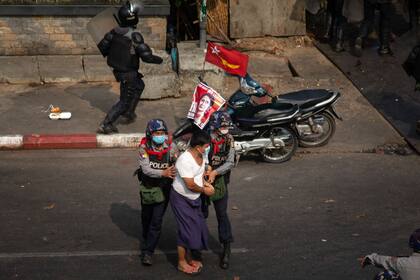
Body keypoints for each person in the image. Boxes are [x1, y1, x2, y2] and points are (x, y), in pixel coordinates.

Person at [96, 0, 163, 134]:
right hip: (128, 73)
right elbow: (146, 57)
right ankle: (106, 124)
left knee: (139, 85)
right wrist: (160, 60)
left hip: (120, 70)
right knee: (124, 101)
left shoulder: (113, 32)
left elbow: (103, 47)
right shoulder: (134, 36)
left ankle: (129, 113)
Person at [170, 130, 215, 275]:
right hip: (181, 199)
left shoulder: (201, 155)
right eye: (206, 146)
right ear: (198, 146)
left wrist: (205, 183)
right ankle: (181, 262)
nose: (208, 148)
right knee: (185, 230)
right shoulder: (184, 160)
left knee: (196, 227)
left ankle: (189, 256)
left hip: (194, 198)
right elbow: (190, 184)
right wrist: (205, 190)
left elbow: (199, 174)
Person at [136, 119, 178, 265]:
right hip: (148, 188)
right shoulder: (144, 148)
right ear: (150, 134)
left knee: (157, 220)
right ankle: (146, 238)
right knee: (146, 217)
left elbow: (177, 163)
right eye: (157, 133)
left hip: (164, 189)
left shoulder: (172, 147)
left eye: (163, 133)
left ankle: (148, 252)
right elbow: (146, 169)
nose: (160, 136)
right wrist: (163, 173)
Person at [203, 111, 235, 269]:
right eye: (222, 125)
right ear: (215, 126)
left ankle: (227, 247)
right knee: (201, 214)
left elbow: (230, 162)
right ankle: (196, 248)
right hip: (202, 179)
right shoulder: (204, 138)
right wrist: (206, 170)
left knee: (222, 214)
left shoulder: (229, 139)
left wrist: (215, 172)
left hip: (219, 179)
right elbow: (195, 156)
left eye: (227, 125)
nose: (225, 128)